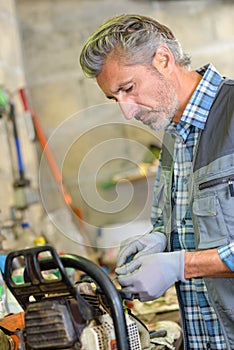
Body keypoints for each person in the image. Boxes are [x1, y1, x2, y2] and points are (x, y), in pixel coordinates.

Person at [79, 14, 234, 349]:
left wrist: (182, 265)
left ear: (163, 59)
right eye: (114, 97)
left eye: (128, 89)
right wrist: (160, 240)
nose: (126, 111)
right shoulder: (173, 138)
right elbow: (195, 226)